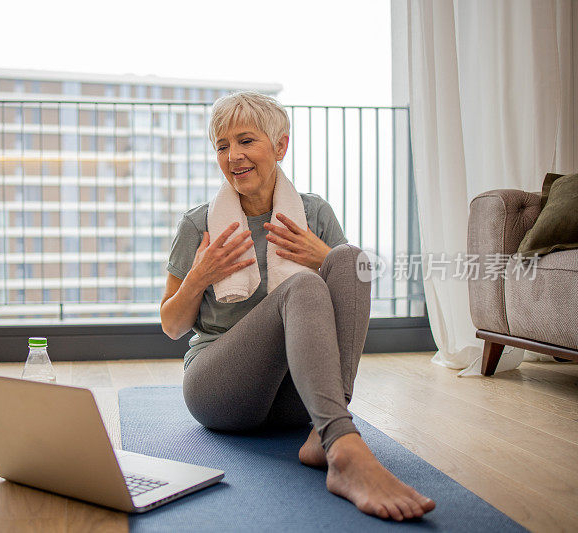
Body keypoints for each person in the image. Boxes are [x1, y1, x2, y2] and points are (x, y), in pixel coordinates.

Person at [159, 91, 435, 521]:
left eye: (246, 141)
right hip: (220, 389)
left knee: (348, 259)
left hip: (296, 397)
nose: (233, 156)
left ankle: (325, 429)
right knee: (302, 287)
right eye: (222, 146)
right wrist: (200, 276)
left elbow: (350, 291)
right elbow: (172, 326)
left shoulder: (313, 213)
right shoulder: (198, 224)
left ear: (280, 146)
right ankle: (342, 445)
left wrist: (322, 256)